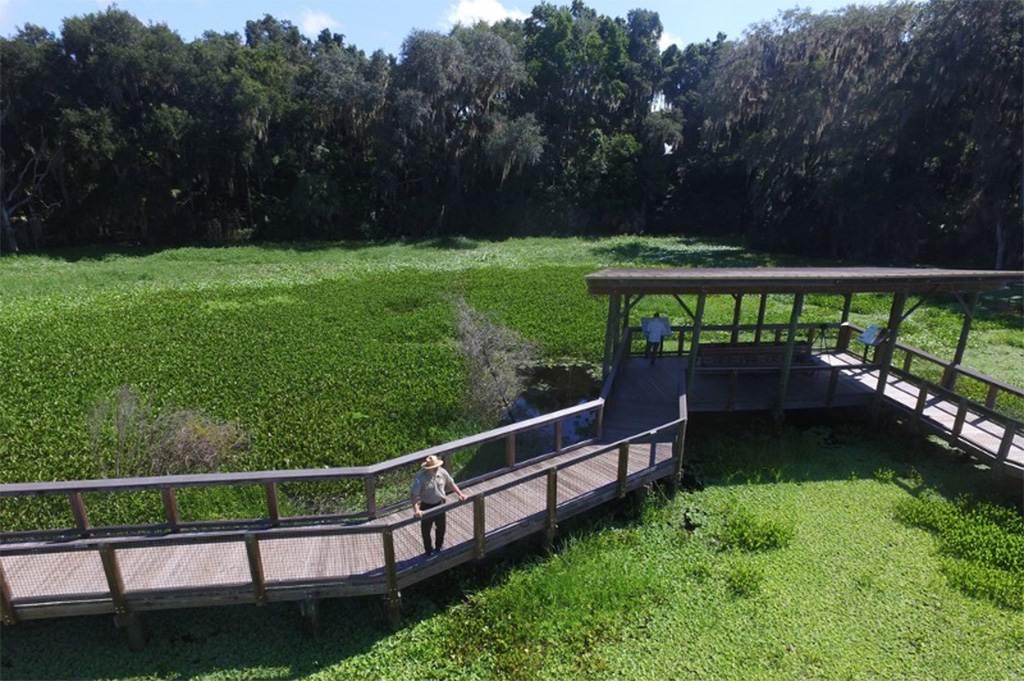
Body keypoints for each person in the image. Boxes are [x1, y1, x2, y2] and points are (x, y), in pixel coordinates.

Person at [410, 455, 467, 555]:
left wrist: (460, 494)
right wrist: (416, 509)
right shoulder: (421, 478)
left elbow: (451, 483)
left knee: (441, 527)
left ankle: (439, 547)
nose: (436, 469)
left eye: (436, 466)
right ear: (428, 468)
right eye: (434, 467)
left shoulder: (442, 472)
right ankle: (428, 550)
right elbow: (414, 495)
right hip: (427, 506)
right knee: (426, 530)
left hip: (440, 504)